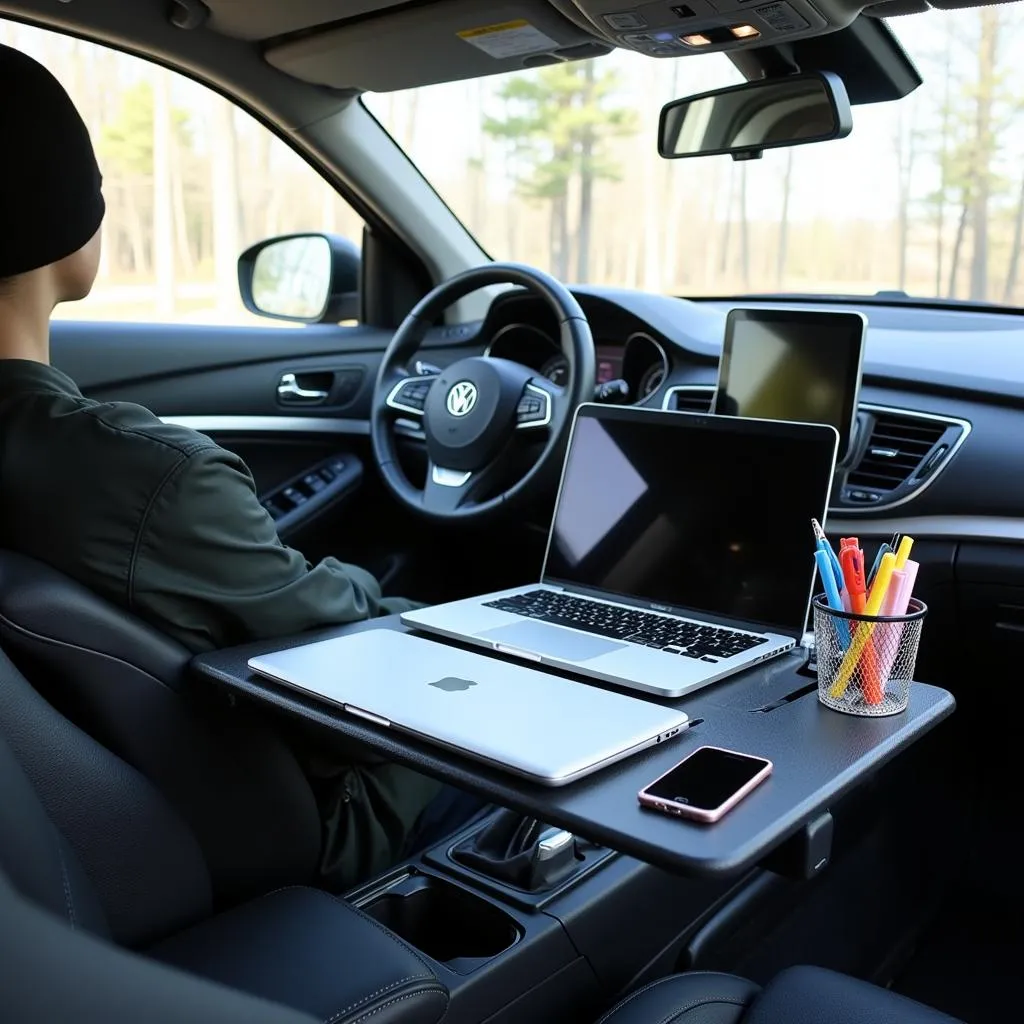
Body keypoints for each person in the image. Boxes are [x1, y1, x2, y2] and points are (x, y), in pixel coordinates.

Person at [0, 44, 484, 890]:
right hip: (301, 828)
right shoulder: (141, 473)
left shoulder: (102, 470)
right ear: (63, 216)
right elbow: (345, 644)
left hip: (89, 834)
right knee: (494, 699)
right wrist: (472, 633)